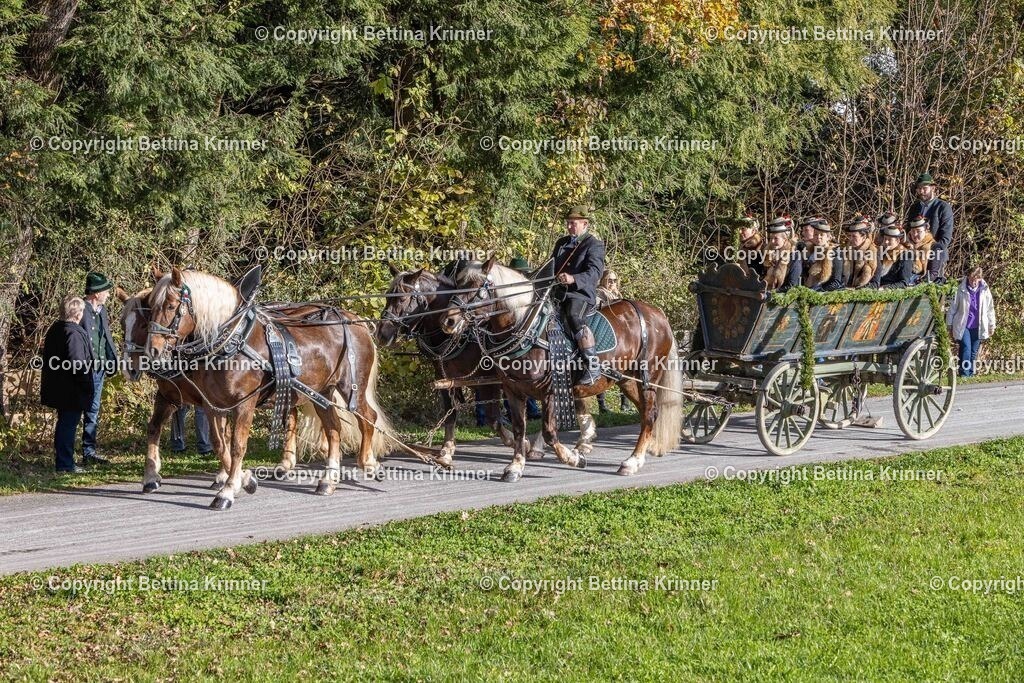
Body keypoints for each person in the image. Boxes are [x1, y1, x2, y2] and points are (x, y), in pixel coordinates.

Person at [541, 205, 606, 386]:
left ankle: (592, 366)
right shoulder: (561, 243)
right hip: (557, 293)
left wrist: (573, 278)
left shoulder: (594, 245)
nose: (569, 227)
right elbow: (551, 266)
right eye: (568, 223)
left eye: (573, 223)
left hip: (580, 294)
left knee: (572, 315)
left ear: (585, 224)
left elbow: (595, 273)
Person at [40, 296, 96, 473]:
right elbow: (78, 364)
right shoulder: (73, 333)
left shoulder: (56, 329)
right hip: (71, 390)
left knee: (64, 424)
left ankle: (64, 461)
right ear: (78, 313)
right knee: (68, 425)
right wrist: (87, 385)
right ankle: (65, 464)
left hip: (60, 387)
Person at [79, 272, 117, 465]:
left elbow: (106, 337)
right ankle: (69, 454)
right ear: (95, 293)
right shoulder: (80, 309)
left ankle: (89, 452)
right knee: (77, 410)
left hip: (100, 368)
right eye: (106, 291)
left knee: (93, 411)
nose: (108, 294)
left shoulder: (102, 310)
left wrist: (112, 360)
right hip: (82, 368)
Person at [946, 265, 996, 377]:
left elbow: (989, 308)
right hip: (963, 325)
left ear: (980, 278)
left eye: (976, 278)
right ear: (968, 276)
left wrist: (991, 325)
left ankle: (970, 373)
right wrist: (949, 325)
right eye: (972, 278)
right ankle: (964, 374)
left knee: (973, 352)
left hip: (978, 325)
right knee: (966, 349)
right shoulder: (960, 290)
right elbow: (952, 308)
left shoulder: (984, 290)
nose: (974, 281)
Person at [595, 269, 630, 413]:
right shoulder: (599, 293)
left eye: (614, 280)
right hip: (603, 333)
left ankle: (625, 404)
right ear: (603, 280)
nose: (612, 283)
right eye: (609, 280)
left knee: (624, 367)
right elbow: (602, 310)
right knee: (602, 367)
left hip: (619, 334)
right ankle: (602, 405)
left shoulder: (617, 294)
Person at [907, 172, 954, 251]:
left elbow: (945, 238)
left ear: (933, 188)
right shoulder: (914, 208)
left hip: (936, 253)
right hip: (914, 252)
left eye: (924, 188)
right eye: (919, 188)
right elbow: (908, 231)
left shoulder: (943, 207)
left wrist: (931, 252)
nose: (921, 191)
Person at [801, 217, 844, 291]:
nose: (818, 237)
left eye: (822, 235)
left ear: (828, 237)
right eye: (816, 234)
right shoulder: (810, 253)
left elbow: (836, 282)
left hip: (826, 295)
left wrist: (819, 290)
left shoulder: (835, 253)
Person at [763, 216, 802, 291]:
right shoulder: (769, 255)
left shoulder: (794, 256)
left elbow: (792, 285)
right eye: (770, 239)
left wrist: (774, 292)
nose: (772, 242)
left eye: (776, 238)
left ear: (785, 239)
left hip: (787, 298)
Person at [905, 215, 947, 283]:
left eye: (918, 231)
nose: (915, 234)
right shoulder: (906, 245)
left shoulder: (935, 248)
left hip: (922, 283)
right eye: (913, 231)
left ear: (926, 231)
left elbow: (932, 275)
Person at [841, 214, 878, 288]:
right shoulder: (846, 252)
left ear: (863, 237)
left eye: (854, 236)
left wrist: (856, 291)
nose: (850, 239)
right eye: (849, 236)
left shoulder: (874, 254)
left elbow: (875, 284)